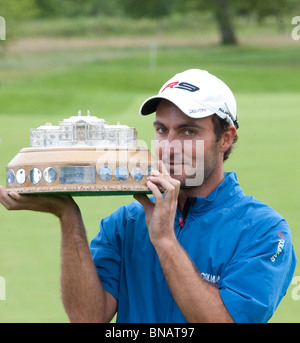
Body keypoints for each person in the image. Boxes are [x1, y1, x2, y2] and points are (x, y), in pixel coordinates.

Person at [0, 69, 296, 323]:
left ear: (226, 138)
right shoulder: (126, 223)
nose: (169, 146)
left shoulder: (265, 231)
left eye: (188, 132)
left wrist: (165, 240)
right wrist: (67, 216)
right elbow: (87, 317)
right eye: (161, 130)